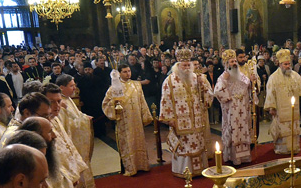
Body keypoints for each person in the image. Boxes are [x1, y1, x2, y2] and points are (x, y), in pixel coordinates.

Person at [43, 83, 97, 188]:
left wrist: (76, 167)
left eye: (59, 101)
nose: (57, 106)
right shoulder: (40, 124)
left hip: (68, 171)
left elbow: (66, 142)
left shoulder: (54, 118)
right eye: (51, 102)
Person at [160, 48, 213, 177]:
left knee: (198, 142)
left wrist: (203, 85)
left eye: (188, 64)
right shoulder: (170, 80)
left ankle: (199, 168)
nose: (186, 67)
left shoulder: (197, 78)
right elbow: (165, 99)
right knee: (184, 145)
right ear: (177, 65)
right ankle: (183, 170)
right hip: (180, 120)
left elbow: (207, 95)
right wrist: (169, 118)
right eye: (183, 65)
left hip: (196, 119)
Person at [102, 66, 153, 176]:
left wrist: (145, 116)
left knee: (139, 141)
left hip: (137, 119)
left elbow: (142, 101)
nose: (128, 74)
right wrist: (114, 105)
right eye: (125, 72)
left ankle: (142, 165)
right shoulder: (114, 88)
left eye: (129, 71)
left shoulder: (136, 84)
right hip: (124, 120)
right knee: (128, 142)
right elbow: (105, 104)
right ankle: (130, 168)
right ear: (119, 73)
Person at [264, 49, 301, 154]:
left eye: (289, 64)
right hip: (281, 110)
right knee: (283, 131)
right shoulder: (273, 78)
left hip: (293, 110)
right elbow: (270, 92)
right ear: (280, 64)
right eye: (285, 64)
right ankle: (282, 149)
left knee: (293, 129)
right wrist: (271, 107)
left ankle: (294, 148)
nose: (288, 66)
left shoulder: (296, 76)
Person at [214, 50, 252, 165]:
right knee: (232, 130)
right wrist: (225, 81)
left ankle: (244, 156)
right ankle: (233, 157)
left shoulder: (241, 75)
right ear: (226, 64)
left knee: (243, 130)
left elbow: (249, 86)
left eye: (235, 61)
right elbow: (217, 91)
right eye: (232, 61)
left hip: (242, 108)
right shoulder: (222, 77)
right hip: (230, 109)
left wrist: (253, 82)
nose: (235, 63)